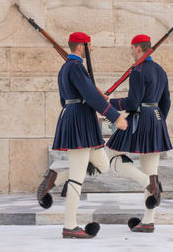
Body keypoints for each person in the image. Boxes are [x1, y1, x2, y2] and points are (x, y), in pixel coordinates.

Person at [37, 32, 128, 239]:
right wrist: (115, 117)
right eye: (89, 46)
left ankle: (56, 178)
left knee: (102, 165)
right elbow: (89, 96)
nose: (91, 49)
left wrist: (94, 97)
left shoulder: (68, 68)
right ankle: (70, 226)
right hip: (80, 121)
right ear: (81, 47)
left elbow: (70, 98)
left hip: (80, 119)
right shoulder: (76, 67)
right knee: (77, 178)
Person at [106, 34, 172, 233]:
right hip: (157, 118)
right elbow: (166, 101)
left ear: (138, 48)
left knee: (111, 154)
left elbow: (132, 103)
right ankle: (148, 221)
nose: (131, 51)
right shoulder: (160, 70)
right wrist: (158, 121)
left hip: (141, 117)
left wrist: (109, 103)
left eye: (132, 48)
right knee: (151, 169)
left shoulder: (138, 70)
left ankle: (148, 184)